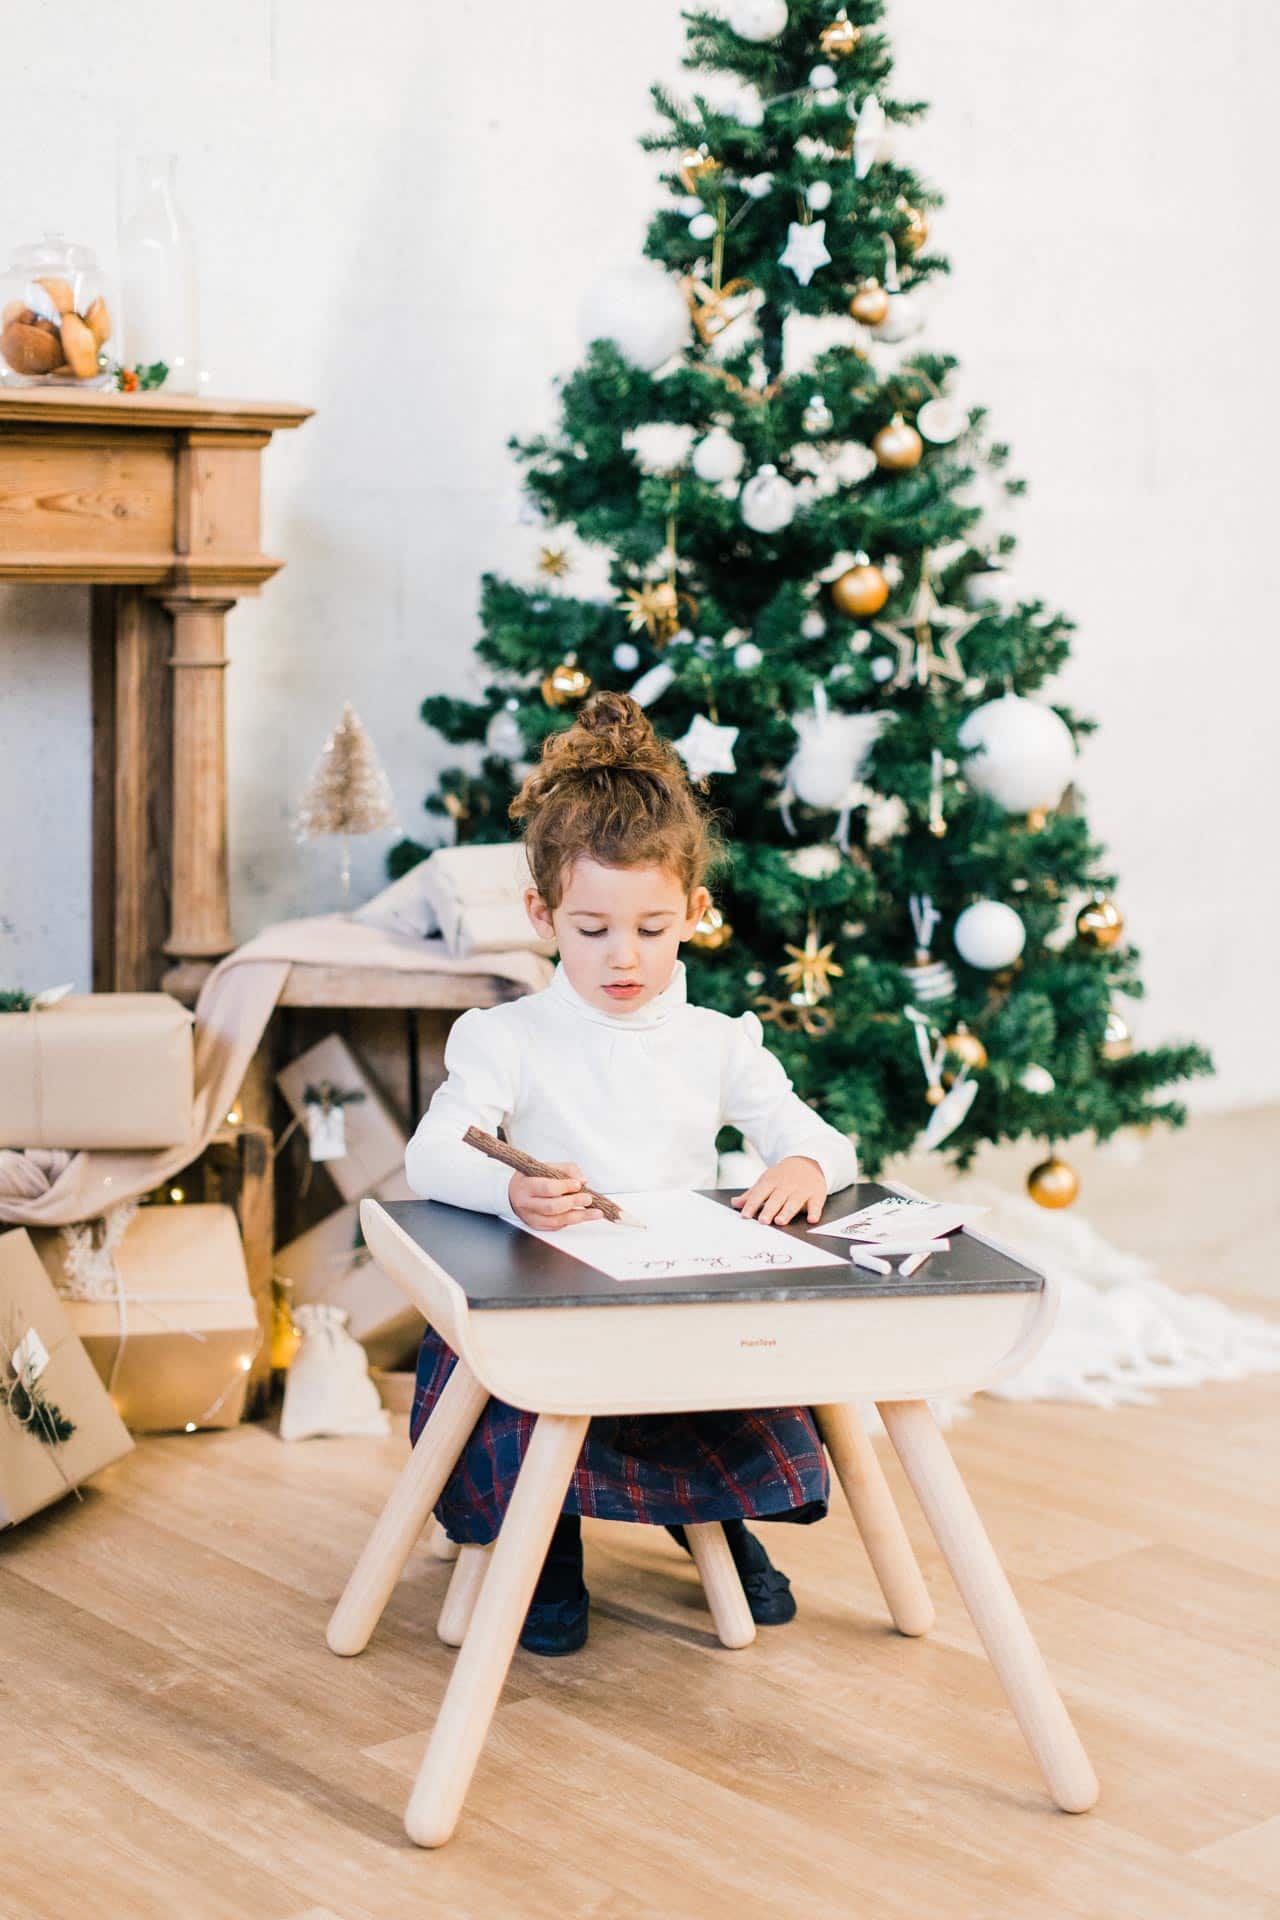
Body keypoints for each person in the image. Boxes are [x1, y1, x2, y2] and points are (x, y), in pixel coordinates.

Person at [404, 691, 858, 1654]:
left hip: (671, 1310)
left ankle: (718, 1519)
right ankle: (547, 1540)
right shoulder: (506, 1038)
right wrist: (511, 1188)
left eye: (652, 930)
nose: (624, 957)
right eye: (592, 929)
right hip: (550, 1311)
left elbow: (820, 1136)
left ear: (694, 912)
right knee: (526, 1387)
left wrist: (811, 1160)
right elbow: (432, 1153)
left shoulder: (717, 1041)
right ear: (543, 915)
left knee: (736, 1368)